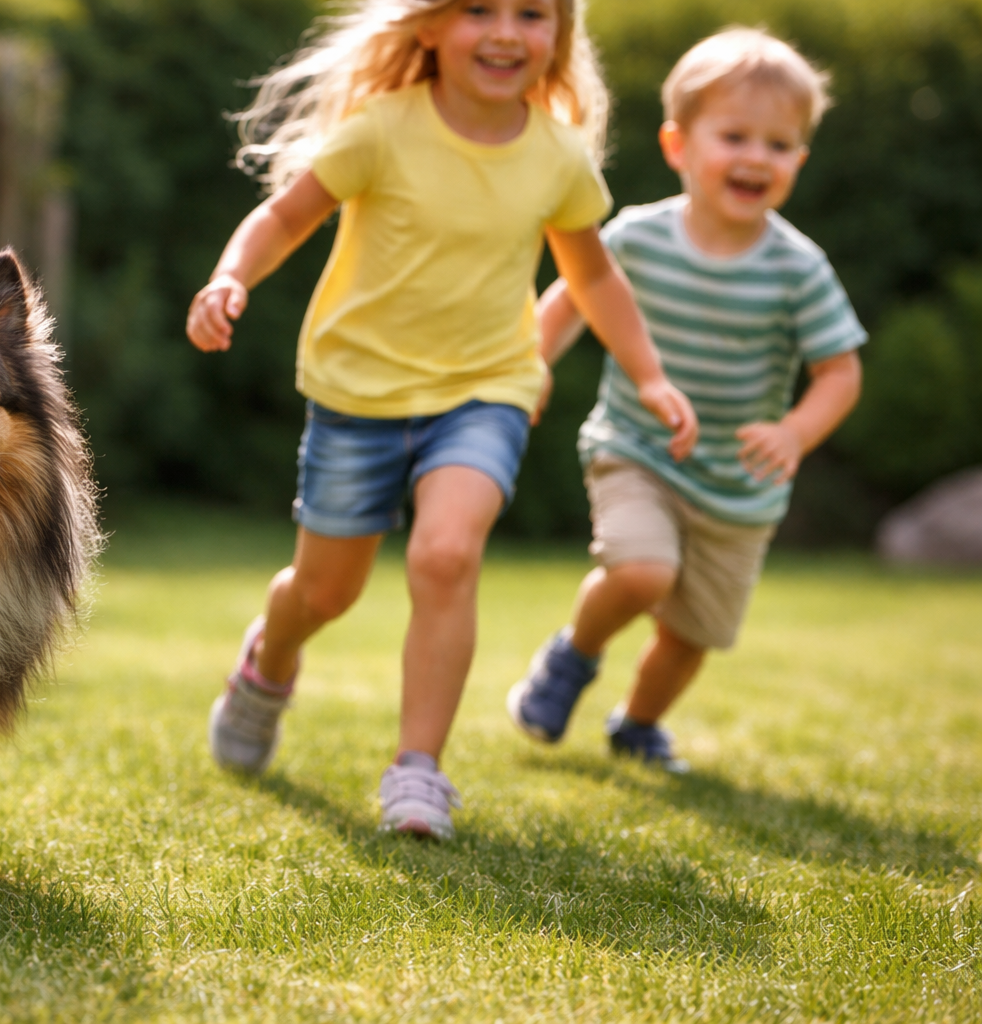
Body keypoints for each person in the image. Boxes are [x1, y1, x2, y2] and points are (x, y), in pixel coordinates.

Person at [186, 0, 697, 840]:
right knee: (323, 591)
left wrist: (650, 375)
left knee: (448, 553)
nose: (505, 32)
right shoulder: (381, 129)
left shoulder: (557, 156)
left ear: (558, 36)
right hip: (357, 396)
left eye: (532, 13)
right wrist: (229, 277)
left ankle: (417, 771)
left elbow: (595, 279)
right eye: (478, 10)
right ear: (428, 27)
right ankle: (267, 664)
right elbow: (285, 216)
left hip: (485, 390)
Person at [507, 27, 866, 772]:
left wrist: (796, 433)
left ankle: (637, 724)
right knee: (643, 572)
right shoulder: (638, 236)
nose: (755, 158)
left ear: (799, 159)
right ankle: (573, 656)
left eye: (779, 144)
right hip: (637, 449)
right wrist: (531, 362)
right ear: (678, 145)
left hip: (739, 489)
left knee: (690, 635)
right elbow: (575, 296)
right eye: (734, 135)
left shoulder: (798, 268)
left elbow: (840, 371)